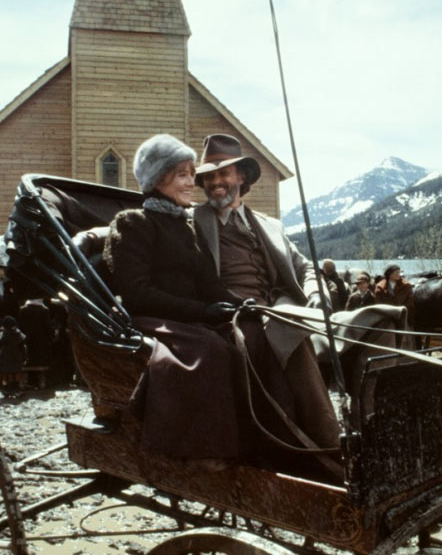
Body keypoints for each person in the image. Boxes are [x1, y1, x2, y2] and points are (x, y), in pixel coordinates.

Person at [191, 134, 342, 474]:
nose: (215, 183)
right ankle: (330, 442)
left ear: (241, 177)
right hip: (233, 315)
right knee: (290, 330)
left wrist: (318, 294)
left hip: (283, 307)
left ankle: (378, 425)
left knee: (374, 323)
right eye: (209, 177)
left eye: (223, 174)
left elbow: (306, 268)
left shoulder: (270, 225)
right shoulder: (193, 222)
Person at [104, 134, 246, 466]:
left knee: (247, 335)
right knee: (208, 350)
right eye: (182, 174)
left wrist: (238, 305)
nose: (191, 182)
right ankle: (201, 450)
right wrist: (202, 311)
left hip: (190, 318)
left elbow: (210, 284)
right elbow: (138, 293)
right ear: (158, 180)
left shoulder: (188, 226)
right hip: (151, 318)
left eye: (190, 173)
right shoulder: (133, 223)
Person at [0, 316, 27, 394]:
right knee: (16, 373)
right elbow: (23, 347)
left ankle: (5, 388)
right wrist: (25, 358)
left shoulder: (3, 334)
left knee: (4, 374)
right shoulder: (19, 335)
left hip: (5, 357)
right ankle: (17, 389)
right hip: (16, 357)